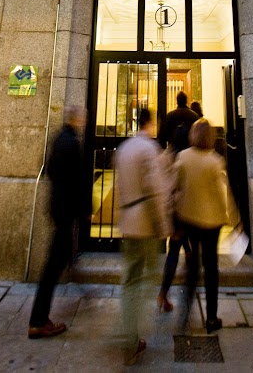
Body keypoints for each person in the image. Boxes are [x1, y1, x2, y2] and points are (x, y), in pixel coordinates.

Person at [28, 105, 87, 339]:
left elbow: (51, 170)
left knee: (57, 261)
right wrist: (83, 208)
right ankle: (38, 321)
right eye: (82, 117)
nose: (85, 120)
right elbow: (76, 180)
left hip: (58, 209)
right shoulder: (70, 142)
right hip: (64, 211)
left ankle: (40, 318)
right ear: (76, 118)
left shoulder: (59, 138)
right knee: (52, 267)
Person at [116, 108, 170, 367]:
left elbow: (119, 187)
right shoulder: (149, 149)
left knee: (130, 281)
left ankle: (128, 335)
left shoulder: (124, 148)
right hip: (146, 225)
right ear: (151, 123)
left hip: (127, 222)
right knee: (147, 281)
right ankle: (134, 334)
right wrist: (163, 226)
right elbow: (156, 190)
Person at [175, 118, 228, 334]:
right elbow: (222, 193)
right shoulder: (215, 160)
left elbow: (175, 186)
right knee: (211, 267)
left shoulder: (183, 157)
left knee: (192, 267)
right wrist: (228, 215)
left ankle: (185, 313)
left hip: (189, 217)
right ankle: (211, 317)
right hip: (212, 221)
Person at [156, 91, 199, 312]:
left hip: (174, 207)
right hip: (191, 208)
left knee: (174, 249)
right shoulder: (194, 118)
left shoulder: (170, 117)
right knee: (191, 249)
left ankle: (164, 292)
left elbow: (161, 138)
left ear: (176, 100)